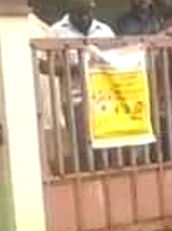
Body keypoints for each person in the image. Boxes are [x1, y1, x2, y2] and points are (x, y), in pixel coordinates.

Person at [49, 0, 115, 171]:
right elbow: (44, 65)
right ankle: (88, 181)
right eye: (79, 12)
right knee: (83, 146)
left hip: (105, 98)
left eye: (87, 11)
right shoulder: (56, 32)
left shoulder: (105, 31)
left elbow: (117, 58)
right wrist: (74, 67)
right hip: (75, 98)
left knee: (108, 146)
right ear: (69, 10)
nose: (84, 16)